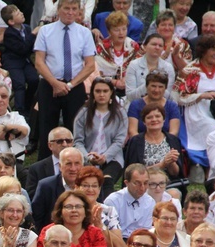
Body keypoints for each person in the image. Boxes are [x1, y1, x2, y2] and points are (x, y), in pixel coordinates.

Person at [34, 0, 95, 160]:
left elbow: (90, 65)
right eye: (66, 8)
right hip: (49, 85)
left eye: (74, 9)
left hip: (74, 86)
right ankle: (46, 166)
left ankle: (73, 163)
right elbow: (39, 61)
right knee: (47, 128)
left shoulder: (84, 33)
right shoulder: (45, 31)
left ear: (78, 12)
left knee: (74, 128)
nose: (70, 12)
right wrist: (55, 83)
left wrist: (69, 85)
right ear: (58, 10)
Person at [173, 35, 215, 167]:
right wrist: (202, 95)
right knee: (212, 127)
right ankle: (210, 164)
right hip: (197, 111)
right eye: (213, 49)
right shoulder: (190, 70)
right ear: (203, 51)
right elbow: (179, 97)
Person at [73, 78, 127, 200]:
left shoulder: (120, 113)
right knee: (89, 183)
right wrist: (88, 157)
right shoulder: (83, 113)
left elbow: (119, 141)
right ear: (92, 93)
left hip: (112, 158)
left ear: (111, 93)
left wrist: (105, 157)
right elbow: (78, 141)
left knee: (106, 179)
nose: (101, 94)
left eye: (105, 91)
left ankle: (108, 210)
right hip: (88, 157)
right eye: (98, 91)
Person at [37, 191, 108, 247]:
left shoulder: (95, 233)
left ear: (86, 211)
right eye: (69, 207)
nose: (74, 210)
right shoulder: (48, 231)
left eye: (78, 206)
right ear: (60, 212)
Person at [124, 104, 183, 181]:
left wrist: (171, 162)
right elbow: (133, 172)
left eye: (158, 116)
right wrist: (162, 164)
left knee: (174, 193)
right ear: (144, 122)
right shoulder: (135, 141)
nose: (154, 120)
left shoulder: (173, 140)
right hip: (143, 183)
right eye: (149, 117)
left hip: (169, 183)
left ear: (164, 120)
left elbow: (176, 174)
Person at [32, 147, 83, 232]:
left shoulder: (90, 187)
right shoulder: (46, 186)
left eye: (77, 163)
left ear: (82, 166)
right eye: (68, 164)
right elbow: (37, 220)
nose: (73, 168)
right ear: (60, 166)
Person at [95, 12, 141, 99]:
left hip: (130, 89)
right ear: (109, 31)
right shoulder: (100, 48)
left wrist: (126, 79)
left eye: (124, 29)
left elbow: (139, 69)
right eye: (117, 30)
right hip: (106, 90)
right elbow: (96, 74)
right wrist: (114, 82)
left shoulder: (133, 46)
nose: (121, 33)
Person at [104, 164, 156, 240]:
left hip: (141, 239)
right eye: (137, 183)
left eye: (145, 183)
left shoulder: (150, 202)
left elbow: (146, 230)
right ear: (126, 183)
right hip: (119, 240)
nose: (142, 188)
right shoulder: (113, 201)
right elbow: (110, 233)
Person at [127, 72, 181, 138]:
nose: (156, 90)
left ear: (165, 88)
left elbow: (173, 132)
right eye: (153, 86)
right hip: (139, 144)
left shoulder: (172, 106)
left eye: (160, 87)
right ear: (146, 86)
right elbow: (132, 131)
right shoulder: (135, 105)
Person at [124, 34, 176, 102]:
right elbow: (130, 96)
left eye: (160, 46)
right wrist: (148, 83)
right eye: (154, 44)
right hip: (138, 105)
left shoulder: (168, 67)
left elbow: (168, 96)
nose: (157, 47)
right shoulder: (133, 65)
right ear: (145, 46)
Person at [26, 127, 73, 199]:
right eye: (60, 141)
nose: (65, 144)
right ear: (50, 145)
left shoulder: (83, 166)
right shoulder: (36, 169)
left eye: (68, 141)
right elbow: (32, 197)